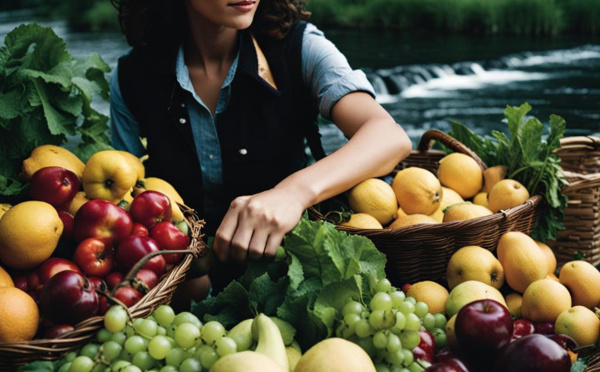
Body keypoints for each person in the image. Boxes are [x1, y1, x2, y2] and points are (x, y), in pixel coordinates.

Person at [109, 0, 412, 298]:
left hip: (294, 284)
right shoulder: (130, 77)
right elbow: (122, 202)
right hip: (181, 293)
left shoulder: (300, 46)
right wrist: (183, 273)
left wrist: (293, 193)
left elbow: (388, 136)